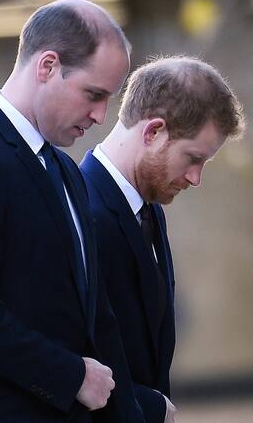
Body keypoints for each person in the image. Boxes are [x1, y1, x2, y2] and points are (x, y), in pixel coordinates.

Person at [0, 0, 146, 423]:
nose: (100, 116)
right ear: (47, 66)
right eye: (93, 95)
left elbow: (94, 316)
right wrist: (70, 376)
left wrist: (133, 410)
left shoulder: (65, 169)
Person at [80, 56, 245, 423]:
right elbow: (77, 355)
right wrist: (149, 407)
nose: (196, 177)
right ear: (153, 131)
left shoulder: (148, 207)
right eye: (193, 158)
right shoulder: (83, 213)